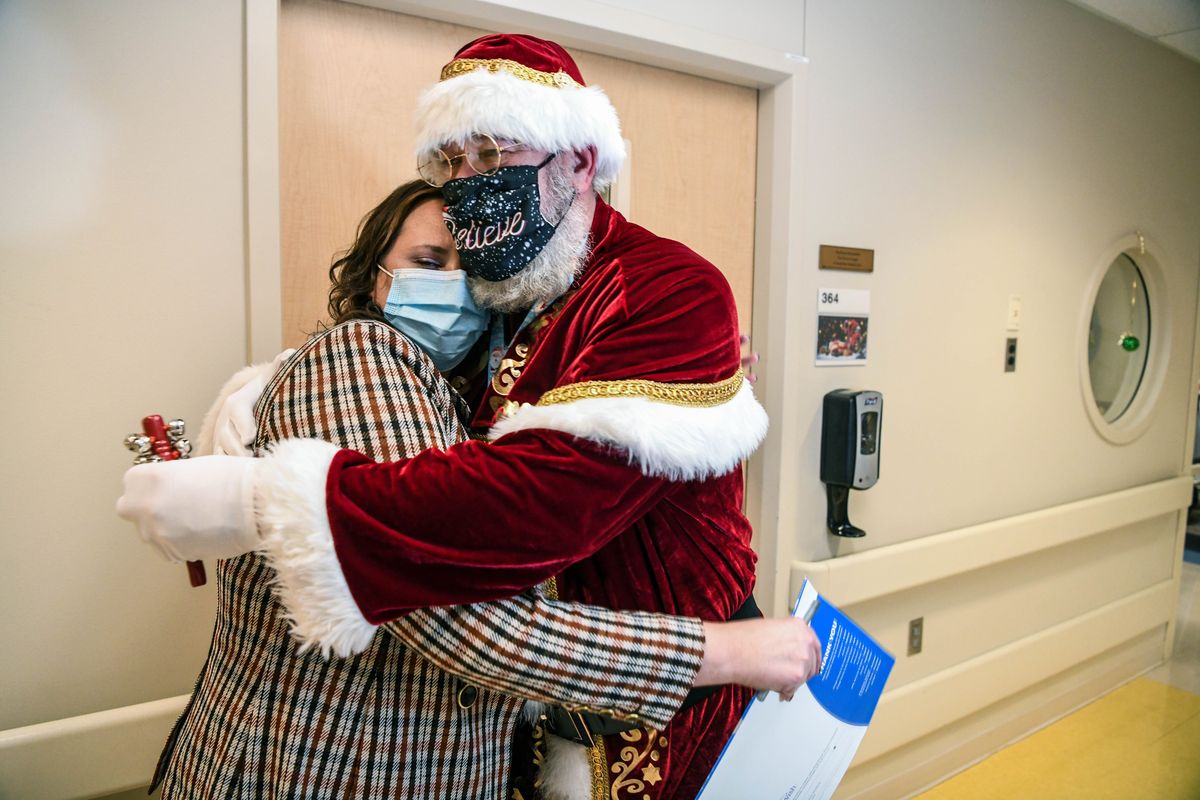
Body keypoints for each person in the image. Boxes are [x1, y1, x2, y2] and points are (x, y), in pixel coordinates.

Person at [119, 35, 822, 799]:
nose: (469, 186)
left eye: (491, 155)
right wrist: (278, 386)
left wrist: (259, 499)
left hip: (664, 727)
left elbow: (530, 507)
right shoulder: (507, 291)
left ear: (580, 161)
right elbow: (384, 367)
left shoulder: (658, 289)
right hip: (431, 746)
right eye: (451, 163)